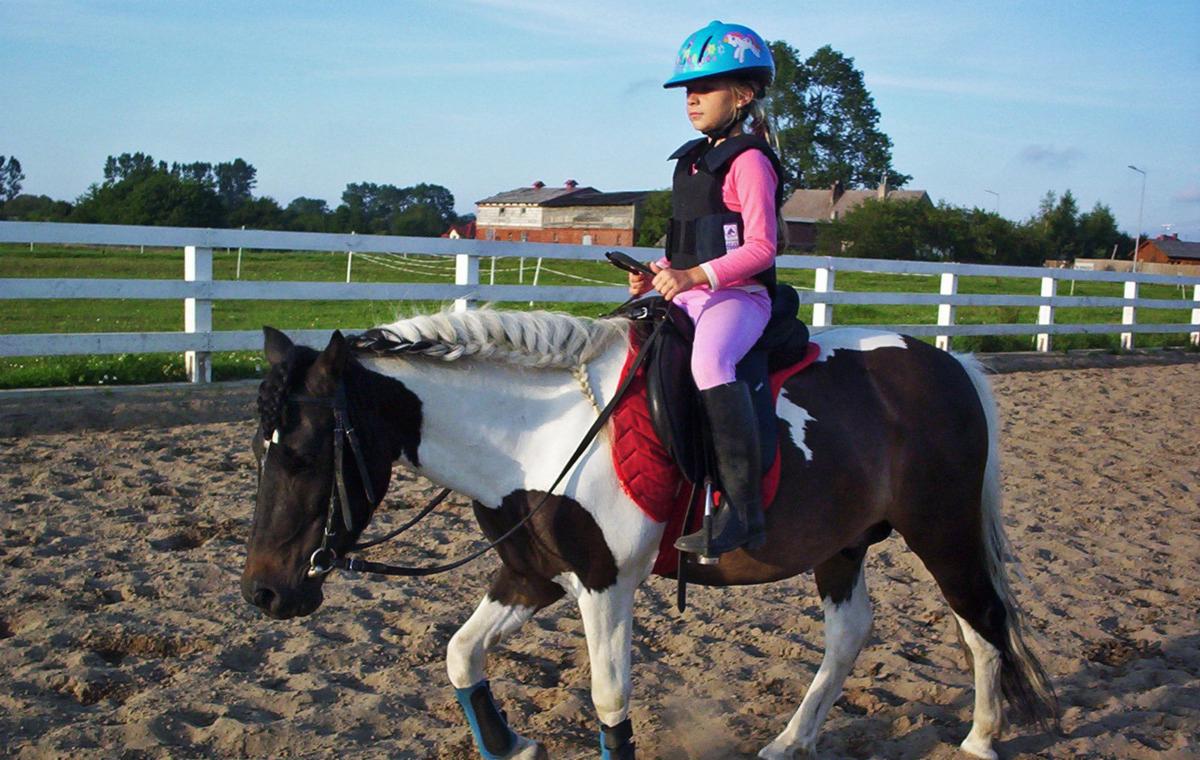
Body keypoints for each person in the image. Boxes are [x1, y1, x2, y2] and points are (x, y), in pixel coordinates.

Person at [628, 20, 785, 558]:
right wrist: (657, 271)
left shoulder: (749, 161)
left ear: (742, 94)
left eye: (705, 88)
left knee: (710, 365)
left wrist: (696, 277)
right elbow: (691, 244)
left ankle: (742, 512)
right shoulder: (693, 161)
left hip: (740, 298)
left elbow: (763, 247)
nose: (692, 99)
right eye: (687, 90)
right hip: (692, 290)